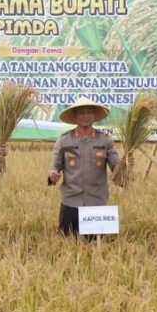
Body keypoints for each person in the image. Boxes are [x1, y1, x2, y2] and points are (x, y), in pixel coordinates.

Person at [47, 98, 120, 236]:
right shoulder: (64, 140)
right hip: (70, 203)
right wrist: (52, 175)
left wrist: (125, 165)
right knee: (67, 243)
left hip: (97, 203)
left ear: (94, 115)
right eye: (81, 113)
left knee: (96, 245)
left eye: (89, 112)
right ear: (74, 116)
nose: (85, 116)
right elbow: (54, 166)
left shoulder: (105, 140)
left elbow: (117, 168)